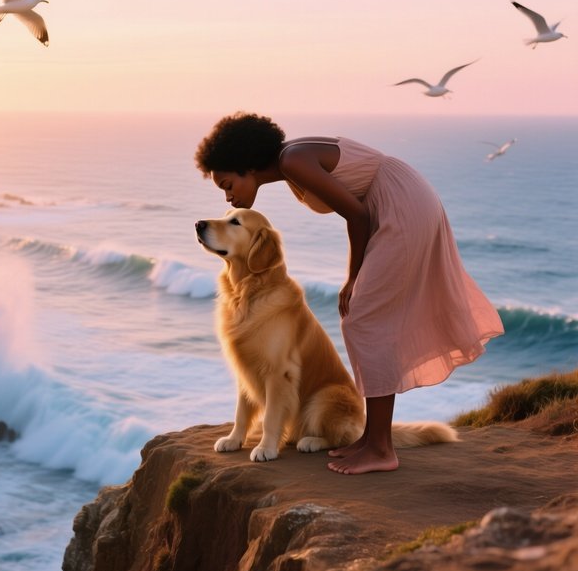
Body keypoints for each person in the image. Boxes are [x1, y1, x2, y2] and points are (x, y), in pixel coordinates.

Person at [194, 112, 504, 475]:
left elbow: (357, 215)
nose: (229, 197)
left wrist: (353, 277)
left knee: (362, 319)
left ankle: (380, 448)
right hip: (401, 200)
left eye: (228, 184)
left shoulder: (292, 160)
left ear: (247, 166)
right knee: (366, 318)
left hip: (400, 207)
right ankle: (372, 439)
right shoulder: (290, 159)